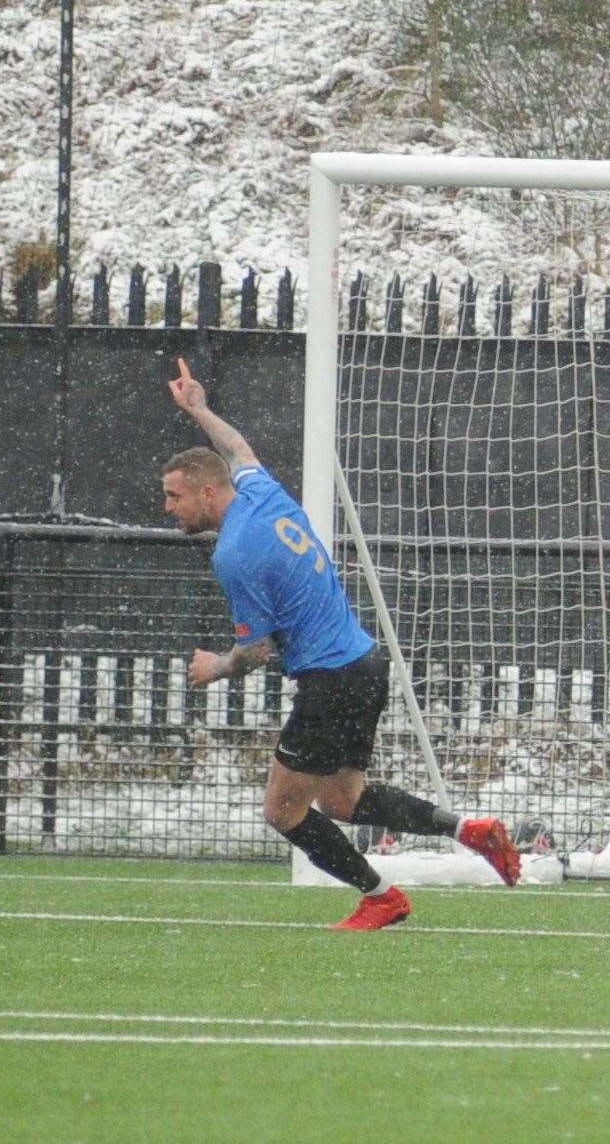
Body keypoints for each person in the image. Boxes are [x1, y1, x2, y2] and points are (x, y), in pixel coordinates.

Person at [162, 357, 520, 929]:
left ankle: (381, 895)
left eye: (174, 497)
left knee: (282, 810)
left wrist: (215, 668)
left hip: (330, 682)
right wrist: (200, 410)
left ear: (208, 493)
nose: (168, 508)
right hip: (363, 663)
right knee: (344, 801)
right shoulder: (262, 494)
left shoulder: (235, 554)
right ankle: (468, 829)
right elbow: (238, 448)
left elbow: (257, 651)